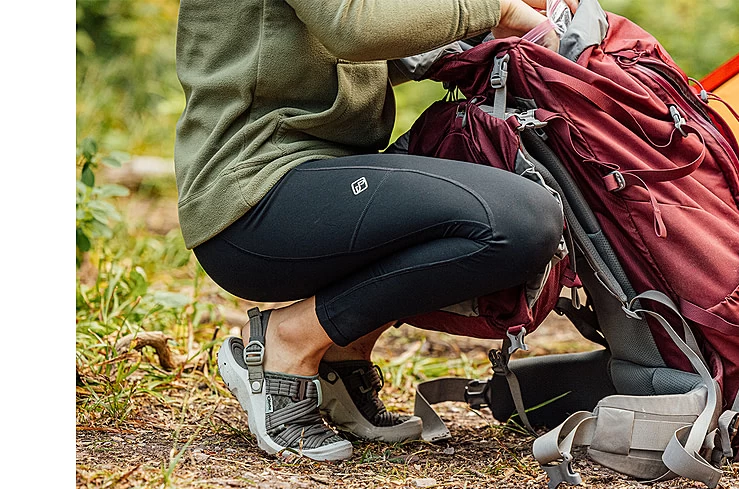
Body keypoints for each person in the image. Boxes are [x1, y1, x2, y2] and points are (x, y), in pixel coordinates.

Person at [174, 0, 577, 461]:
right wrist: (497, 7)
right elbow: (352, 29)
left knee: (490, 178)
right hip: (254, 194)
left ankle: (341, 359)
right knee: (518, 221)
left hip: (326, 181)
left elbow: (365, 53)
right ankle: (286, 344)